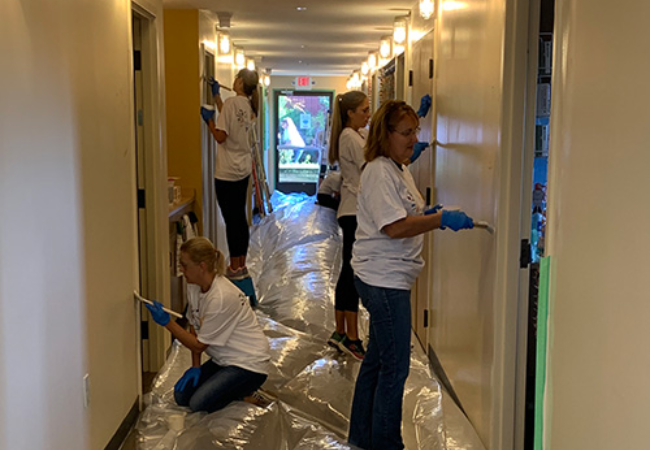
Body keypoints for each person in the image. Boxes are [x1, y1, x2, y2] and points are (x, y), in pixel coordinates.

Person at [348, 100, 474, 450]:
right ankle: (386, 444)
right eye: (406, 133)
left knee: (377, 361)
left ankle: (361, 437)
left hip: (390, 276)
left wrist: (427, 212)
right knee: (395, 368)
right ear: (384, 134)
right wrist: (437, 220)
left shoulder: (398, 168)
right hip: (382, 279)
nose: (413, 139)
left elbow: (405, 210)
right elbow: (392, 226)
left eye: (415, 131)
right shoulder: (378, 172)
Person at [145, 237, 271, 413]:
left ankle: (246, 392)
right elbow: (193, 325)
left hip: (248, 363)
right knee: (182, 397)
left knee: (199, 404)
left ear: (201, 266)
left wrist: (167, 322)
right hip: (223, 360)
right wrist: (196, 366)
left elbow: (199, 344)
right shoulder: (194, 286)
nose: (181, 270)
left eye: (185, 265)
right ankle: (234, 389)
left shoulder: (220, 297)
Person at [200, 69, 259, 295]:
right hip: (242, 170)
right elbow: (234, 124)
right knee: (239, 219)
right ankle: (240, 264)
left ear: (241, 81)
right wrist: (217, 99)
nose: (232, 80)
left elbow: (221, 136)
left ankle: (234, 268)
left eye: (236, 77)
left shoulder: (233, 102)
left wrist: (209, 121)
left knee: (231, 219)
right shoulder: (248, 106)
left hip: (226, 172)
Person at [325, 91, 371, 360]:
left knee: (346, 270)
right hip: (354, 211)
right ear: (350, 113)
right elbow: (372, 167)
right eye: (364, 110)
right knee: (352, 273)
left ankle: (340, 331)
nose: (367, 114)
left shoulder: (355, 135)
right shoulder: (350, 137)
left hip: (351, 210)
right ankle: (352, 338)